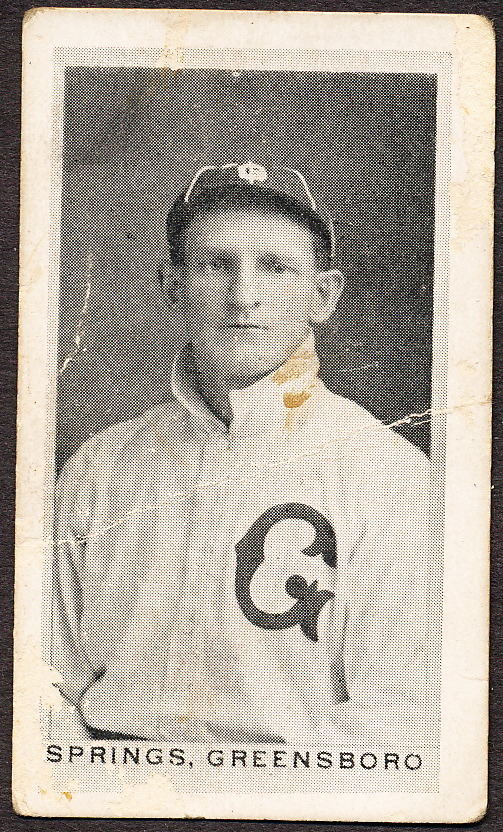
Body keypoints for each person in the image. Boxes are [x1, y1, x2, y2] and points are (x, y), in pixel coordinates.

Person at [52, 161, 438, 745]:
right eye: (216, 265)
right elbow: (44, 684)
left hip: (299, 789)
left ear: (322, 295)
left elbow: (401, 720)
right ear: (174, 287)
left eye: (275, 267)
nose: (243, 296)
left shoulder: (390, 476)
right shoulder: (98, 468)